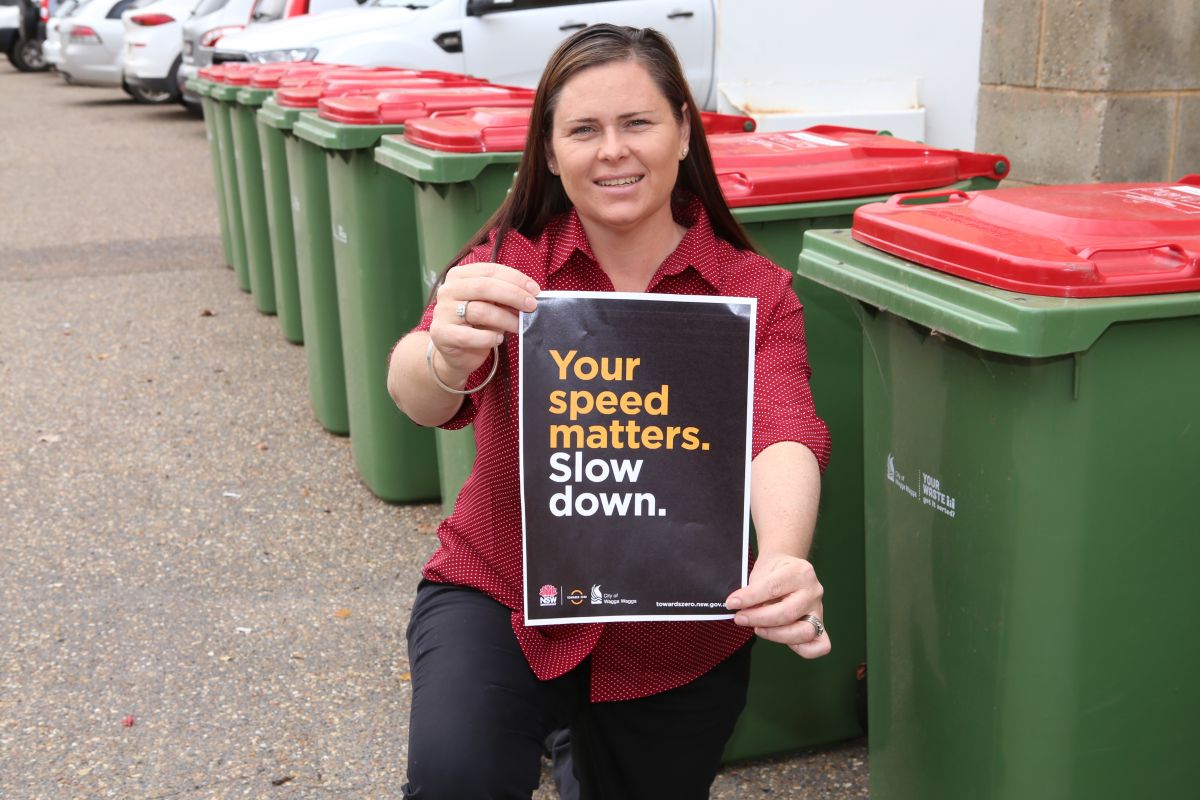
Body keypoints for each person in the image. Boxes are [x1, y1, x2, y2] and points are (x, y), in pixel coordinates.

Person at [386, 24, 832, 799]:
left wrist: (784, 555)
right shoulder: (509, 264)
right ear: (551, 153)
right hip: (502, 593)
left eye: (637, 122)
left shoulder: (752, 289)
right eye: (583, 130)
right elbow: (415, 391)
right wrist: (445, 358)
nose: (613, 151)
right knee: (457, 778)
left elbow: (784, 426)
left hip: (678, 634)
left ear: (684, 132)